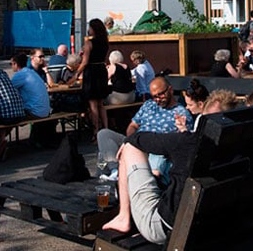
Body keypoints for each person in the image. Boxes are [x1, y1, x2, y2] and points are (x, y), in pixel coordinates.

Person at [101, 90, 238, 243]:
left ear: (202, 117)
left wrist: (129, 140)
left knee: (130, 148)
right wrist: (184, 131)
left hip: (164, 227)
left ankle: (123, 217)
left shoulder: (188, 142)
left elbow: (139, 139)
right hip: (211, 222)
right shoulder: (238, 146)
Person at [95, 77, 192, 175]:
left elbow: (183, 141)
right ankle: (115, 171)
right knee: (103, 134)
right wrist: (130, 140)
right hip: (135, 141)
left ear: (170, 90)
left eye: (161, 95)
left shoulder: (181, 113)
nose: (157, 99)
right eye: (154, 96)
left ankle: (118, 173)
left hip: (153, 151)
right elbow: (133, 125)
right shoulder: (148, 104)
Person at [79, 18, 111, 140]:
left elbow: (85, 62)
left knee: (93, 104)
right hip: (101, 70)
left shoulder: (89, 43)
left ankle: (96, 131)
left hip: (91, 72)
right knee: (101, 103)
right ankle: (106, 128)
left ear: (93, 29)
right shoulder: (105, 42)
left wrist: (76, 74)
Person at [10, 50, 52, 119]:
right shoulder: (31, 72)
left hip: (35, 112)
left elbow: (8, 90)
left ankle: (2, 130)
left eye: (10, 64)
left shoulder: (20, 75)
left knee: (9, 116)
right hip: (46, 111)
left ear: (15, 64)